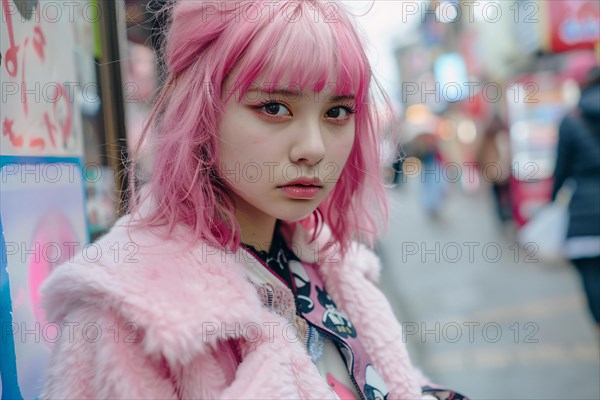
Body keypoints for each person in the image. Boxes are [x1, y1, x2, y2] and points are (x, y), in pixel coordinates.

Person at [40, 1, 468, 398]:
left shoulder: (333, 265)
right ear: (199, 110)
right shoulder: (125, 316)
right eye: (274, 108)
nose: (313, 148)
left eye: (337, 112)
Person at [552, 66, 600, 334]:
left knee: (592, 278)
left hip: (583, 216)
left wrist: (551, 202)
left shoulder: (571, 120)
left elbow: (561, 170)